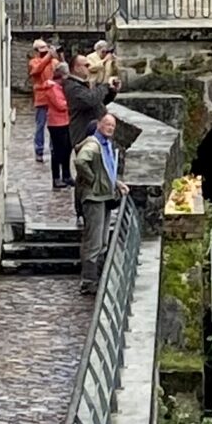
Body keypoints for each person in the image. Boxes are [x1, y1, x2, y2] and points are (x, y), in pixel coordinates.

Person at [72, 108, 121, 292]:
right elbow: (80, 161)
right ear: (99, 125)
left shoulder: (107, 145)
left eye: (113, 126)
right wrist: (92, 180)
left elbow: (106, 170)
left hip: (104, 196)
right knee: (95, 241)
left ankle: (98, 278)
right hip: (94, 198)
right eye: (107, 124)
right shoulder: (94, 144)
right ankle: (89, 281)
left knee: (103, 241)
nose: (110, 128)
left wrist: (117, 183)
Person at [62, 49, 121, 151]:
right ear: (77, 68)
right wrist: (106, 86)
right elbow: (90, 100)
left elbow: (98, 102)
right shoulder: (72, 86)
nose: (89, 68)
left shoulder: (80, 85)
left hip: (93, 134)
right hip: (83, 135)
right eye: (86, 66)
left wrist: (112, 91)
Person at [43, 59, 73, 191]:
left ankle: (66, 175)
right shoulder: (52, 88)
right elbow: (60, 105)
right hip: (56, 123)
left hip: (65, 121)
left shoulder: (60, 88)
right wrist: (70, 104)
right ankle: (56, 177)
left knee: (67, 149)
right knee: (57, 151)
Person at [25, 39, 57, 163]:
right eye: (42, 49)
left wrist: (57, 56)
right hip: (41, 98)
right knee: (40, 126)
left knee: (54, 125)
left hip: (53, 98)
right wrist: (48, 57)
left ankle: (54, 148)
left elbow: (61, 71)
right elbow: (36, 70)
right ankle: (39, 150)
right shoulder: (34, 62)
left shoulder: (52, 61)